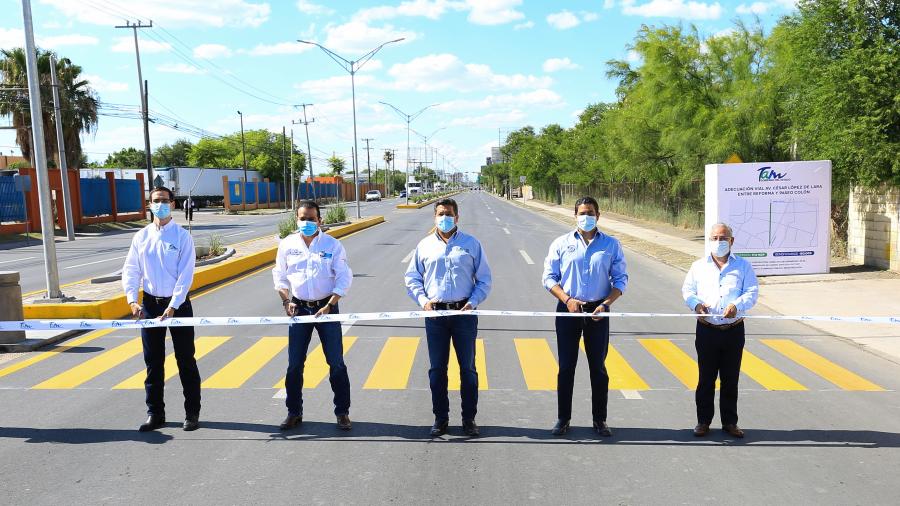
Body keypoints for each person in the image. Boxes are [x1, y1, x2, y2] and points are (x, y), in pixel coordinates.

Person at [405, 198, 492, 437]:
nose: (445, 218)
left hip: (464, 314)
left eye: (449, 214)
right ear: (434, 217)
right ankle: (440, 418)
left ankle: (469, 419)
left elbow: (484, 279)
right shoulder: (423, 246)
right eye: (441, 214)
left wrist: (472, 302)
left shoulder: (471, 244)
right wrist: (423, 301)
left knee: (468, 370)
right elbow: (412, 279)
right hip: (436, 317)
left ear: (457, 217)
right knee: (437, 370)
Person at [541, 196, 628, 437]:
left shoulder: (611, 245)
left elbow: (620, 280)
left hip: (598, 313)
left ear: (598, 216)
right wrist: (567, 300)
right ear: (575, 216)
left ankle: (600, 420)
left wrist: (606, 304)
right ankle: (563, 419)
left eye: (590, 212)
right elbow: (549, 277)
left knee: (598, 368)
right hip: (568, 311)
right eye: (582, 213)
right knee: (566, 367)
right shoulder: (561, 243)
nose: (586, 217)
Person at [122, 186, 201, 432]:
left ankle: (192, 413)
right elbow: (131, 269)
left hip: (178, 306)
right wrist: (131, 299)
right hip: (150, 305)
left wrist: (173, 305)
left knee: (185, 360)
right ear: (149, 204)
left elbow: (186, 275)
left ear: (173, 204)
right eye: (156, 201)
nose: (160, 204)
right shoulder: (141, 237)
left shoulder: (182, 237)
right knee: (153, 363)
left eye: (165, 200)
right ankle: (155, 413)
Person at [272, 200, 353, 431]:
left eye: (311, 218)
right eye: (302, 218)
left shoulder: (333, 245)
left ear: (320, 220)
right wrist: (286, 301)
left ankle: (342, 412)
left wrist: (330, 304)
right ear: (296, 219)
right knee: (294, 365)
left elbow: (344, 277)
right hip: (298, 308)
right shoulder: (287, 245)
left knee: (336, 363)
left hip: (326, 308)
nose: (306, 222)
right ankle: (293, 412)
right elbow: (280, 275)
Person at [682, 222, 759, 438]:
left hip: (733, 330)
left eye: (723, 238)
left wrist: (737, 306)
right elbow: (687, 290)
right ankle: (703, 422)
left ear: (731, 241)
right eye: (715, 238)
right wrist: (696, 305)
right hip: (707, 330)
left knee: (730, 378)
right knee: (706, 378)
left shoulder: (743, 266)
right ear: (709, 241)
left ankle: (730, 422)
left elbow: (752, 291)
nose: (719, 242)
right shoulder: (698, 266)